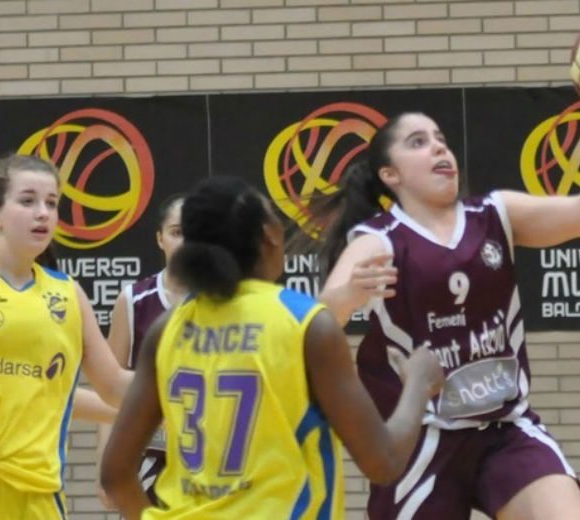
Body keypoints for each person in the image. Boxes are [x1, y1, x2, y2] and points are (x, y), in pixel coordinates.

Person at [288, 90, 580, 519]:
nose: (438, 146)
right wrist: (347, 296)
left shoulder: (496, 214)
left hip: (504, 430)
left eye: (440, 138)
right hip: (423, 440)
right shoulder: (378, 239)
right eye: (417, 142)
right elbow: (320, 321)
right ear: (390, 175)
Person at [100, 176, 445, 519]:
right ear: (271, 236)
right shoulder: (305, 324)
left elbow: (115, 476)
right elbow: (383, 462)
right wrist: (417, 383)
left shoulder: (168, 326)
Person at [0, 153, 132, 518]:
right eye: (27, 201)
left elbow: (112, 385)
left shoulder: (68, 293)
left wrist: (183, 392)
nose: (43, 213)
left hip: (40, 492)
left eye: (51, 204)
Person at [96, 194, 186, 508]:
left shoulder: (228, 303)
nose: (186, 242)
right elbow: (109, 392)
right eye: (176, 232)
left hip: (209, 460)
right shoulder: (133, 301)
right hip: (146, 461)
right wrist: (105, 463)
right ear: (160, 239)